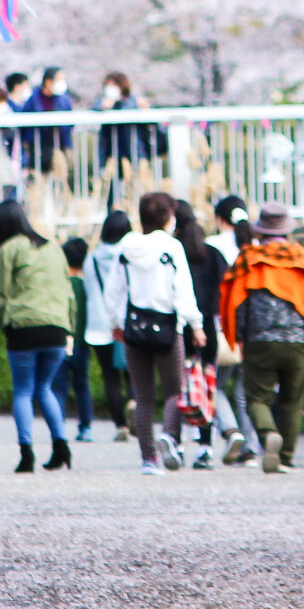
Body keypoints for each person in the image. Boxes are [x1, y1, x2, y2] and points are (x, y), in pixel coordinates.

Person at [219, 200, 304, 472]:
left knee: (257, 399)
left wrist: (239, 336)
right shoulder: (303, 260)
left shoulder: (248, 260)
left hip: (260, 342)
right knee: (292, 403)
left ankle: (268, 433)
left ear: (260, 231)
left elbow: (238, 301)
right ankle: (284, 457)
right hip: (299, 343)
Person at [110, 191, 203, 473]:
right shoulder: (171, 247)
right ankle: (168, 436)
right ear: (167, 217)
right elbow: (183, 290)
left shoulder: (126, 247)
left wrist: (115, 323)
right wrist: (195, 324)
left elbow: (114, 291)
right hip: (167, 328)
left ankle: (148, 459)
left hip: (134, 329)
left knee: (144, 396)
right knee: (175, 390)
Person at [0, 197, 74, 473]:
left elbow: (3, 296)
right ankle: (61, 445)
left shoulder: (8, 249)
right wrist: (69, 329)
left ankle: (27, 454)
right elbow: (69, 294)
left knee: (24, 391)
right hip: (57, 330)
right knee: (45, 388)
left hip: (23, 330)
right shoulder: (53, 248)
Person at [174, 201, 231, 468]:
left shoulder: (173, 251)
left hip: (178, 326)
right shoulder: (212, 253)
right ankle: (205, 447)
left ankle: (176, 442)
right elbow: (225, 288)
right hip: (207, 326)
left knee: (179, 386)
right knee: (207, 385)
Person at [208, 195, 261, 460]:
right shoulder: (257, 244)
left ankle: (231, 431)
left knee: (216, 386)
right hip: (254, 327)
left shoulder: (211, 246)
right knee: (244, 390)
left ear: (219, 219)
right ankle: (251, 447)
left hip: (223, 328)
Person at [81, 209, 132, 439]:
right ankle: (134, 403)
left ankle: (121, 425)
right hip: (124, 322)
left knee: (110, 377)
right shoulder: (129, 254)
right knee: (133, 372)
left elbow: (89, 289)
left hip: (98, 326)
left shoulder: (91, 258)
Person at [61, 235, 97, 442]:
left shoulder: (63, 285)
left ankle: (59, 426)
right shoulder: (86, 286)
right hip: (83, 342)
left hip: (63, 341)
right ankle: (86, 426)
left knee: (60, 387)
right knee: (82, 385)